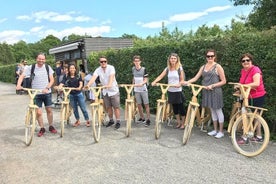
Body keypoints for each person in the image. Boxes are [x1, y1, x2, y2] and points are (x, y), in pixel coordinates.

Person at [183, 49, 226, 138]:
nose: (210, 58)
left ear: (215, 57)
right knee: (212, 110)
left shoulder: (218, 67)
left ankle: (221, 131)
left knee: (218, 110)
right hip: (206, 91)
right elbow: (195, 78)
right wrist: (186, 82)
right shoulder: (203, 67)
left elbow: (224, 81)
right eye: (208, 56)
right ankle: (215, 130)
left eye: (212, 56)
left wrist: (213, 85)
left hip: (215, 91)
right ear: (206, 57)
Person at [16, 53, 57, 137]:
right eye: (39, 58)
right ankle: (42, 128)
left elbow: (52, 80)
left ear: (45, 60)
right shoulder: (31, 67)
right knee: (38, 112)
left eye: (43, 59)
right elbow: (22, 76)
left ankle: (51, 126)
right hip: (36, 93)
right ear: (36, 59)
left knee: (49, 110)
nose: (41, 60)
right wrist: (18, 85)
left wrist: (47, 88)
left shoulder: (47, 67)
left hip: (46, 92)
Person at [237, 53, 266, 144]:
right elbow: (241, 82)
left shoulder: (255, 69)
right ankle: (257, 136)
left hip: (257, 96)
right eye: (243, 61)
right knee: (252, 115)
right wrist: (238, 87)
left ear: (251, 61)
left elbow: (256, 83)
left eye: (247, 60)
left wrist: (242, 86)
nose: (245, 62)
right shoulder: (243, 71)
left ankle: (246, 137)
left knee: (252, 116)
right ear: (241, 63)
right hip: (247, 96)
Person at [85, 56, 121, 130]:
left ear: (107, 62)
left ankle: (118, 121)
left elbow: (111, 77)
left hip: (113, 90)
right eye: (101, 62)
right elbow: (93, 78)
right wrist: (88, 85)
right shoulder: (98, 70)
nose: (103, 63)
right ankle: (111, 120)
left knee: (116, 107)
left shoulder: (111, 68)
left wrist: (109, 84)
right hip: (105, 91)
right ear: (100, 63)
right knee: (108, 107)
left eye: (105, 61)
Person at [151, 53, 186, 129]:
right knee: (175, 108)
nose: (173, 60)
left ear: (177, 60)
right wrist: (154, 81)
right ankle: (178, 123)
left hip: (178, 91)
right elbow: (160, 76)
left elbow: (182, 79)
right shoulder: (167, 69)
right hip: (170, 91)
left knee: (181, 108)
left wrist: (179, 84)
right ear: (169, 60)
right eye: (171, 58)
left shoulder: (180, 68)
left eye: (174, 58)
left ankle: (183, 123)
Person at [132, 55, 151, 127]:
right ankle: (142, 118)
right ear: (133, 62)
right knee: (139, 104)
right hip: (136, 89)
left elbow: (146, 80)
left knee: (146, 104)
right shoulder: (133, 69)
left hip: (143, 89)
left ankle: (148, 119)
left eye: (138, 61)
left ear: (140, 62)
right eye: (135, 61)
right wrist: (132, 84)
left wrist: (141, 84)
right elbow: (133, 78)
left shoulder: (144, 69)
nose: (137, 62)